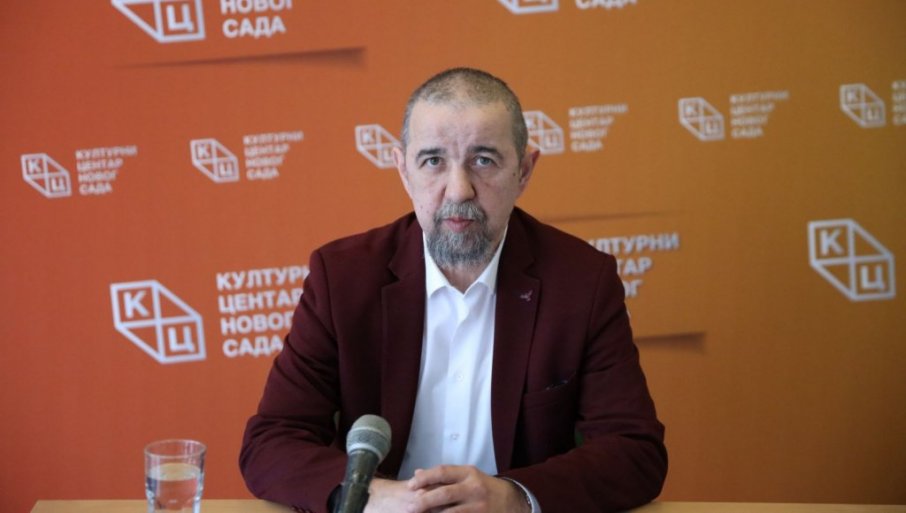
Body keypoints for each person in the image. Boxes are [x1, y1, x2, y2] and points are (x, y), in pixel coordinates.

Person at [240, 67, 667, 513]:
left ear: (524, 171)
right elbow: (271, 441)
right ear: (403, 171)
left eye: (484, 160)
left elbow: (635, 451)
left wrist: (513, 497)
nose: (459, 190)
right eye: (433, 161)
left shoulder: (581, 281)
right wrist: (368, 496)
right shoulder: (343, 278)